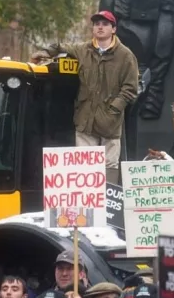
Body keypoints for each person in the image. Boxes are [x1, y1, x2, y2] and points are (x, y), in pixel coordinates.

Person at [30, 10, 139, 184]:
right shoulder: (82, 49)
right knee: (84, 166)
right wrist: (45, 52)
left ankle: (107, 204)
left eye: (105, 24)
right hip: (84, 120)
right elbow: (61, 47)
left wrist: (113, 109)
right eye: (97, 24)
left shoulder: (126, 56)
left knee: (109, 167)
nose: (100, 27)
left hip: (111, 124)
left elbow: (131, 88)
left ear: (114, 29)